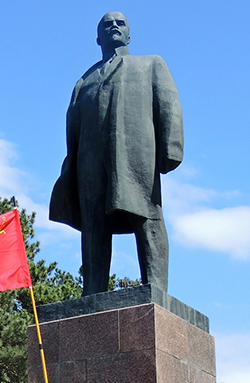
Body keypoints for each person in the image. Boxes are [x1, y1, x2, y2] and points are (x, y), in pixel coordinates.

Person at [49, 11, 183, 296]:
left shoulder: (150, 64)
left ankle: (156, 288)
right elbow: (72, 125)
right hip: (89, 163)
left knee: (146, 216)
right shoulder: (84, 81)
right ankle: (92, 291)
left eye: (120, 23)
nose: (114, 26)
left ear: (129, 35)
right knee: (93, 224)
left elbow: (168, 103)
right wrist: (72, 166)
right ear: (98, 38)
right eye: (107, 24)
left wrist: (172, 146)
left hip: (134, 157)